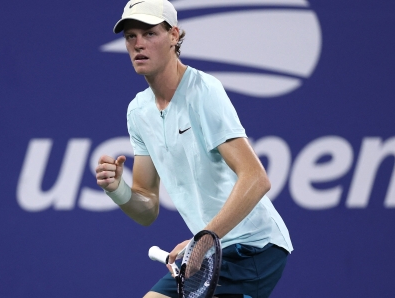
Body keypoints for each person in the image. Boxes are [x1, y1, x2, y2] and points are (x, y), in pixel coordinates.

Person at [95, 0, 293, 297]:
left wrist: (200, 242)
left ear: (174, 36)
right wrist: (117, 189)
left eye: (149, 33)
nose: (138, 44)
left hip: (254, 248)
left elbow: (256, 178)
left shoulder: (204, 92)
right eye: (130, 36)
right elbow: (147, 207)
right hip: (213, 248)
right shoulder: (138, 111)